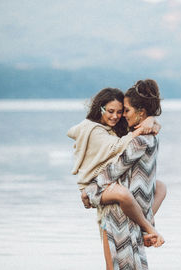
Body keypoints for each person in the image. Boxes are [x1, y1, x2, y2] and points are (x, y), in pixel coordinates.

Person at [67, 87, 166, 246]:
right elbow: (117, 146)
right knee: (123, 194)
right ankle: (148, 228)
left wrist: (151, 119)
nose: (115, 116)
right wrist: (142, 128)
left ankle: (142, 226)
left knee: (160, 187)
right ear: (100, 108)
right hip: (94, 185)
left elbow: (136, 132)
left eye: (120, 112)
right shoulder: (93, 130)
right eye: (110, 111)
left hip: (110, 180)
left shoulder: (114, 128)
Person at [85, 79, 164, 269]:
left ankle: (147, 226)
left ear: (141, 112)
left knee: (116, 265)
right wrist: (151, 120)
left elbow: (114, 171)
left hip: (119, 213)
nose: (121, 115)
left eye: (125, 110)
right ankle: (147, 224)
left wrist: (89, 190)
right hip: (128, 208)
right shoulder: (146, 135)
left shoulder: (139, 140)